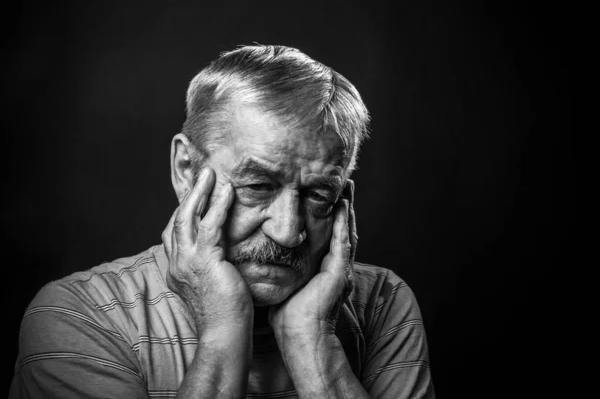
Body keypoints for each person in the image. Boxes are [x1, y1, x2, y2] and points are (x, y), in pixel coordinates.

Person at [10, 44, 435, 398]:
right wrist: (222, 331)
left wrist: (313, 342)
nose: (288, 231)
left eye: (317, 194)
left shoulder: (381, 303)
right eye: (257, 186)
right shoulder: (79, 317)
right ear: (185, 168)